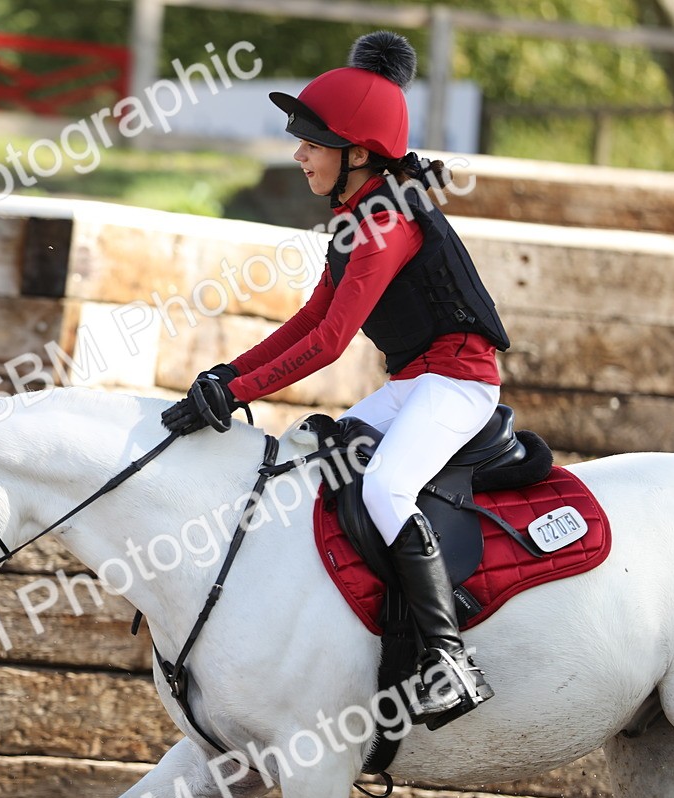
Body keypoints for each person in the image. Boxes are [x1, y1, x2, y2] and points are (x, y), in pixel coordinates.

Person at [161, 31, 511, 729]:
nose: (299, 155)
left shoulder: (385, 224)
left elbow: (328, 343)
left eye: (312, 143)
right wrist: (228, 375)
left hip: (459, 384)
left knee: (385, 486)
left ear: (357, 153)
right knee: (306, 451)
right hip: (416, 380)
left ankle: (448, 659)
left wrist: (235, 396)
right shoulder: (359, 213)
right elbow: (310, 316)